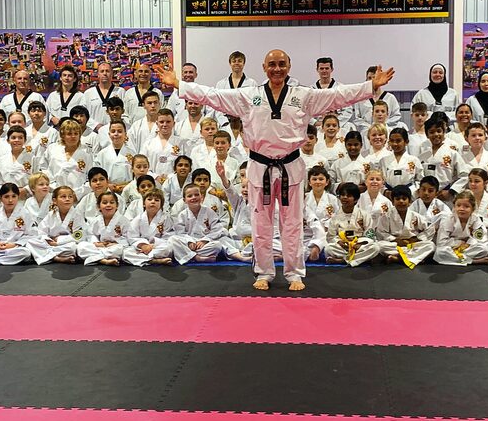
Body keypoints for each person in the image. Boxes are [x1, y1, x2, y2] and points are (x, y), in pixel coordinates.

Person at [155, 49, 394, 291]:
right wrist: (179, 84)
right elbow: (214, 95)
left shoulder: (304, 95)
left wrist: (370, 86)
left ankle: (294, 273)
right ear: (263, 67)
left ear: (289, 66)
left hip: (290, 165)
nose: (277, 69)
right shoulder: (249, 96)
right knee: (261, 224)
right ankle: (264, 272)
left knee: (292, 224)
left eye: (281, 64)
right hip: (260, 166)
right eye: (272, 64)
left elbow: (338, 96)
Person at [375, 184, 434, 267]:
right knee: (379, 246)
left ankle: (399, 259)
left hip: (412, 244)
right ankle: (413, 257)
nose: (401, 201)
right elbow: (381, 232)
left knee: (431, 245)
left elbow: (430, 229)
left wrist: (417, 238)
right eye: (397, 199)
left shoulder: (415, 216)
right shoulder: (386, 216)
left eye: (404, 198)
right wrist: (395, 240)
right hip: (395, 245)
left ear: (409, 201)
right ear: (392, 201)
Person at [168, 182, 228, 264]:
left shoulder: (209, 212)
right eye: (189, 196)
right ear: (184, 200)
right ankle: (197, 257)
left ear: (202, 197)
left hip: (204, 243)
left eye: (196, 195)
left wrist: (205, 240)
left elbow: (217, 230)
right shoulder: (182, 215)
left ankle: (188, 255)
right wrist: (189, 242)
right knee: (173, 239)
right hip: (189, 244)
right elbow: (180, 233)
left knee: (217, 245)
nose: (194, 197)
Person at [324, 182, 380, 266]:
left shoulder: (364, 214)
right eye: (342, 195)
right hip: (344, 246)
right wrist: (339, 242)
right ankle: (361, 259)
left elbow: (370, 234)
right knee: (328, 249)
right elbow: (330, 237)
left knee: (375, 248)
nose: (345, 197)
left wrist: (359, 244)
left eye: (349, 196)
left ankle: (344, 260)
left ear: (356, 199)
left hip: (359, 244)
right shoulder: (335, 216)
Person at [433, 190, 488, 266]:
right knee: (440, 252)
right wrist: (458, 243)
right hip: (452, 248)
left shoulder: (475, 219)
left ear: (472, 209)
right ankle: (472, 261)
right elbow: (441, 242)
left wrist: (468, 243)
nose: (461, 209)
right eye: (458, 205)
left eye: (466, 206)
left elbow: (480, 238)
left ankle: (459, 259)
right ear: (454, 206)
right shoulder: (449, 219)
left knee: (484, 249)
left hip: (467, 248)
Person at [30, 185, 84, 265]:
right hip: (51, 244)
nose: (67, 199)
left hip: (66, 244)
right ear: (55, 201)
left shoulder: (77, 214)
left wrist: (59, 241)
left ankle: (50, 255)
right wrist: (48, 240)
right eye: (63, 196)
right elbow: (41, 231)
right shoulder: (51, 215)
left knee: (74, 247)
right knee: (31, 242)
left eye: (70, 196)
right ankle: (56, 258)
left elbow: (80, 234)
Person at [123, 189, 174, 266]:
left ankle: (146, 259)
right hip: (142, 247)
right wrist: (143, 245)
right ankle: (154, 260)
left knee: (167, 249)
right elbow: (132, 237)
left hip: (157, 246)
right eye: (149, 199)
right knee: (126, 252)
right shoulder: (138, 219)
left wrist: (152, 245)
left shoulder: (165, 218)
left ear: (161, 204)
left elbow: (168, 236)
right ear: (144, 204)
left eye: (157, 200)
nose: (153, 202)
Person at [78, 190, 129, 266]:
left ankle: (97, 258)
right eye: (104, 203)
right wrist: (96, 243)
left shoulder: (123, 220)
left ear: (117, 205)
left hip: (114, 247)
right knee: (81, 246)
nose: (108, 205)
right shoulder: (96, 220)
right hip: (100, 247)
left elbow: (128, 237)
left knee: (120, 250)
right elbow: (91, 234)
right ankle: (104, 260)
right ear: (98, 206)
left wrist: (115, 243)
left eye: (112, 202)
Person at [353, 66, 402, 131]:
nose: (372, 80)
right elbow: (357, 119)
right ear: (366, 80)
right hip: (366, 133)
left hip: (386, 132)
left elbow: (396, 116)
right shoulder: (360, 99)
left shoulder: (390, 98)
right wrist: (371, 127)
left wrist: (382, 125)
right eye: (369, 78)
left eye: (375, 77)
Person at [82, 62, 125, 127]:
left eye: (107, 71)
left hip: (115, 131)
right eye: (102, 71)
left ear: (112, 74)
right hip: (94, 132)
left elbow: (125, 113)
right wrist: (95, 125)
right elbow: (83, 114)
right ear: (98, 74)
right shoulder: (88, 93)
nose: (105, 73)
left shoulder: (121, 91)